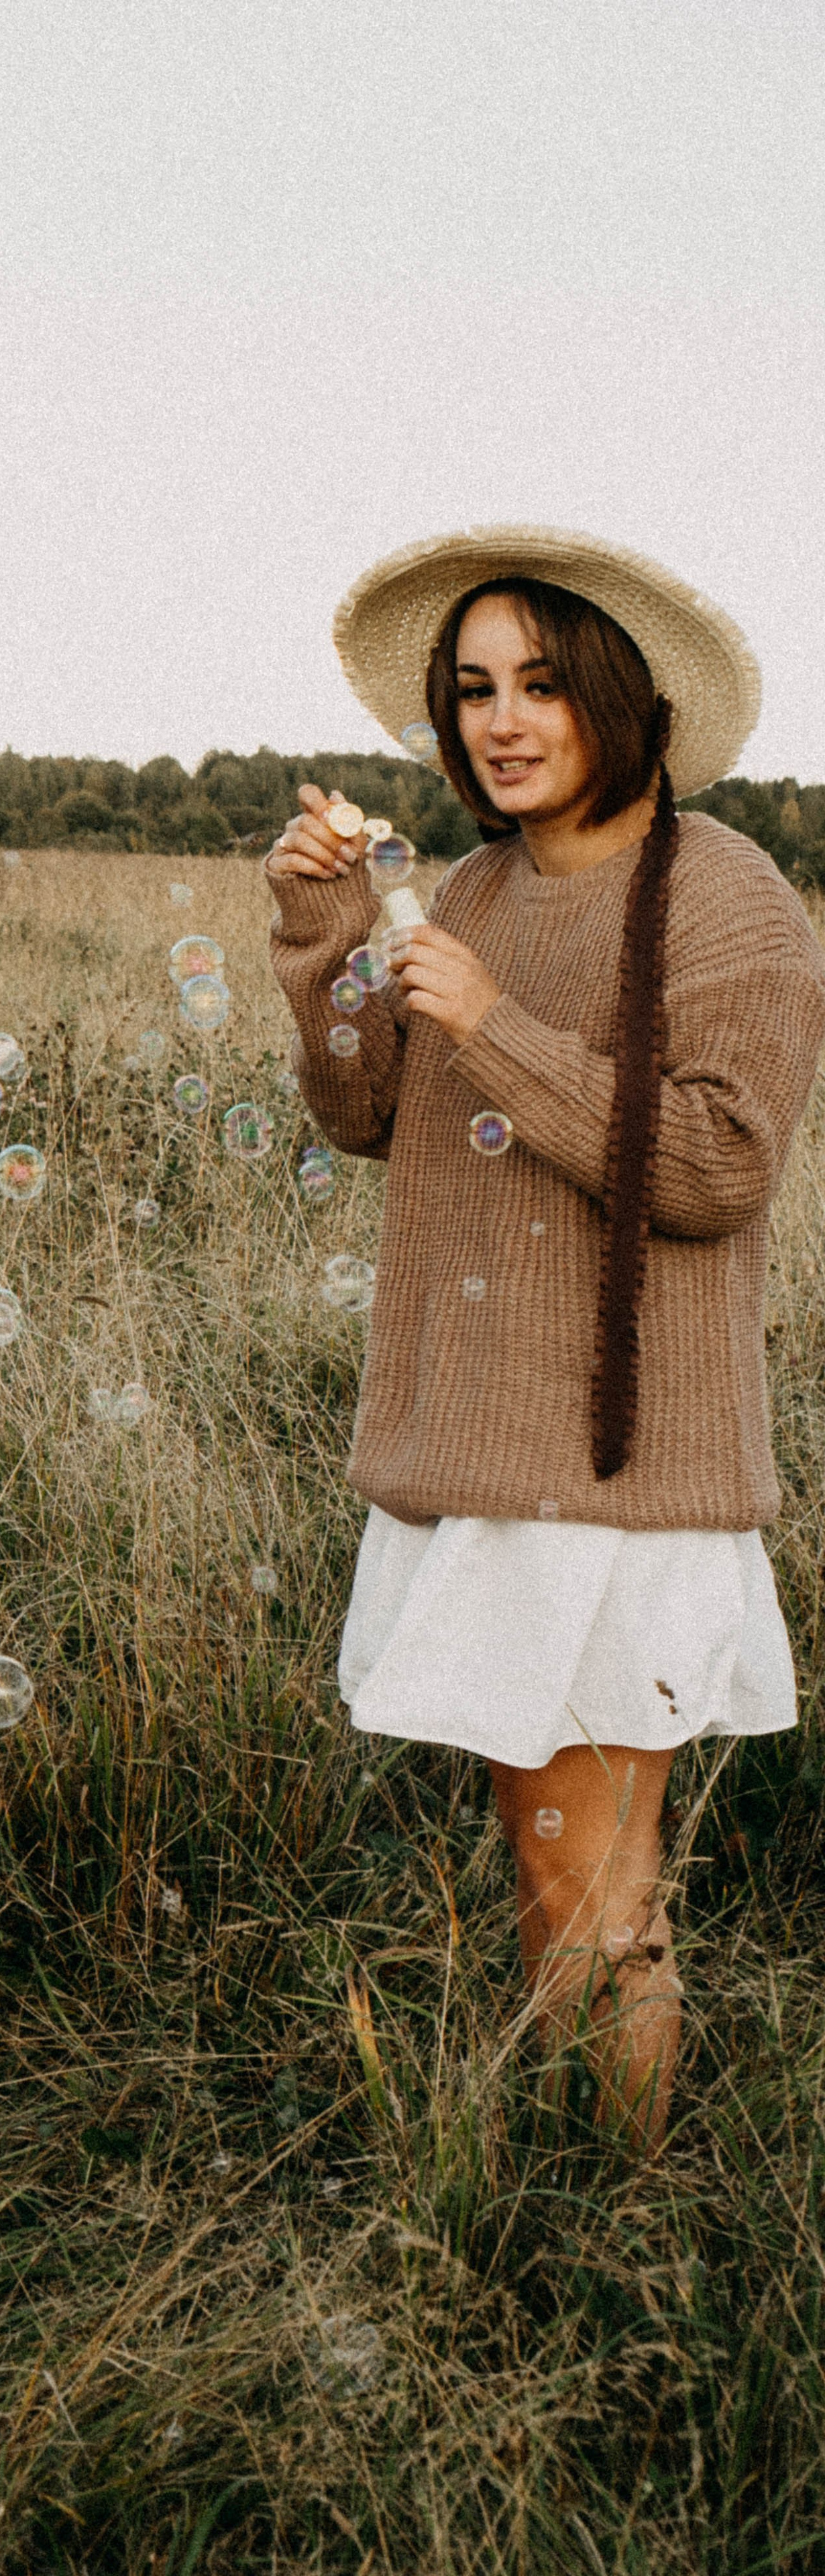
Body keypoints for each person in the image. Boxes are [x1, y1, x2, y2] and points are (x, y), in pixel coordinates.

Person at [266, 526, 825, 2151]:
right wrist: (324, 941)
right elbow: (364, 1109)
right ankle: (606, 2216)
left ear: (620, 700)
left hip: (613, 1475)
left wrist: (492, 1022)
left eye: (540, 685)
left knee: (585, 1889)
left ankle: (622, 2234)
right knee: (564, 1879)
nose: (501, 722)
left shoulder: (729, 896)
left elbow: (718, 1165)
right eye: (470, 691)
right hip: (482, 1456)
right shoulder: (474, 889)